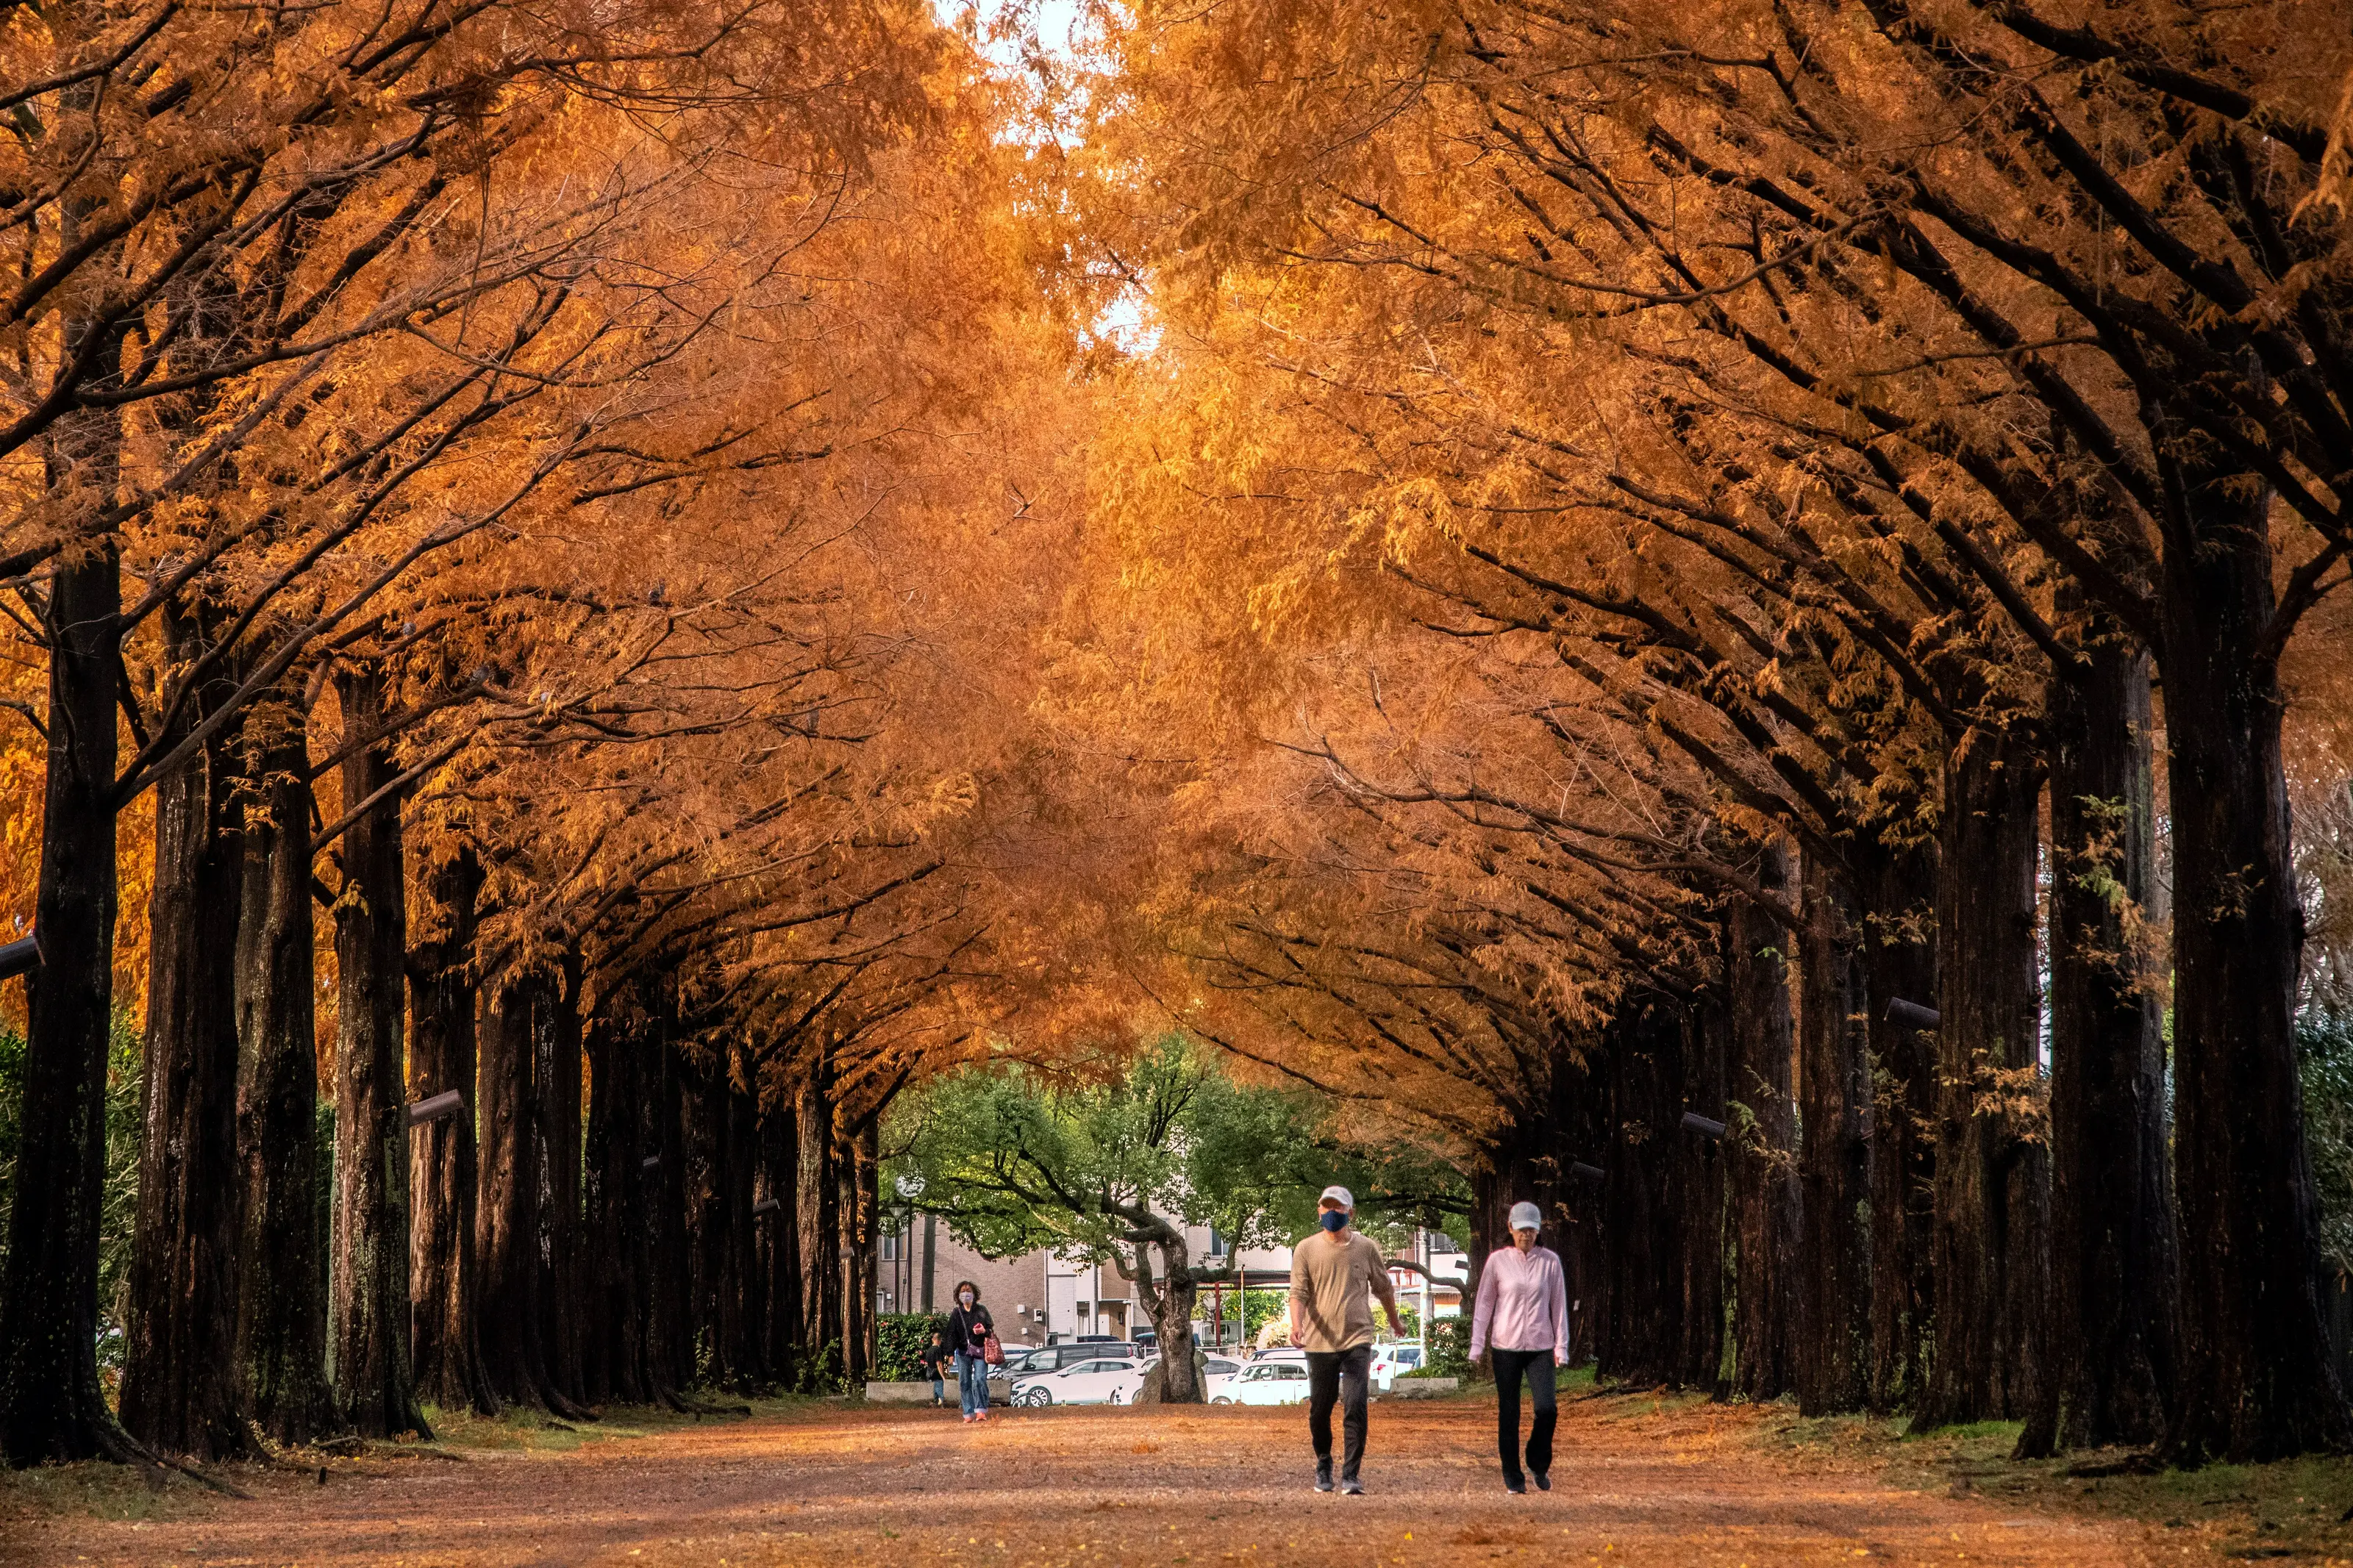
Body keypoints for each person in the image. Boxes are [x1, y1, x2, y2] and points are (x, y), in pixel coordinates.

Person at [1288, 1184, 1403, 1495]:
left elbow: (1383, 1288)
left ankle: (1351, 1474)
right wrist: (1297, 1326)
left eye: (1338, 1208)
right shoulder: (1306, 1249)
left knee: (1355, 1405)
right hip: (1320, 1342)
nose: (1331, 1213)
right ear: (1319, 1210)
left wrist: (1394, 1320)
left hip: (1357, 1338)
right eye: (1327, 1208)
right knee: (1320, 1409)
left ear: (1350, 1213)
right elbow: (1298, 1293)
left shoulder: (1365, 1248)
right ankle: (1324, 1461)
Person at [1468, 1200, 1571, 1494]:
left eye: (1533, 1230)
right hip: (1506, 1346)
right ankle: (1513, 1476)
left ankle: (1538, 1463)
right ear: (1511, 1229)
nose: (1527, 1235)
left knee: (1547, 1409)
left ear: (1539, 1232)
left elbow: (1558, 1306)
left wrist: (1561, 1348)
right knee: (1509, 1412)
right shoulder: (1498, 1262)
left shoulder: (1550, 1262)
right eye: (1522, 1229)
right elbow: (1485, 1303)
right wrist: (1477, 1345)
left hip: (1540, 1345)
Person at [946, 1281, 996, 1423]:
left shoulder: (982, 1311)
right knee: (964, 1382)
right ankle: (968, 1413)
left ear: (974, 1294)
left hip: (981, 1350)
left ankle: (981, 1410)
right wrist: (950, 1354)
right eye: (963, 1291)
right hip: (963, 1352)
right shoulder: (956, 1313)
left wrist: (983, 1331)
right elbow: (951, 1334)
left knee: (980, 1379)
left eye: (969, 1291)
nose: (966, 1294)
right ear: (958, 1295)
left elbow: (990, 1330)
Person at [918, 1327, 951, 1408]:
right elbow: (939, 1363)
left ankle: (936, 1402)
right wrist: (943, 1375)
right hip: (937, 1372)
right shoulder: (938, 1350)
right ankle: (942, 1402)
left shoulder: (929, 1350)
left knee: (936, 1387)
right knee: (939, 1387)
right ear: (939, 1340)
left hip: (930, 1371)